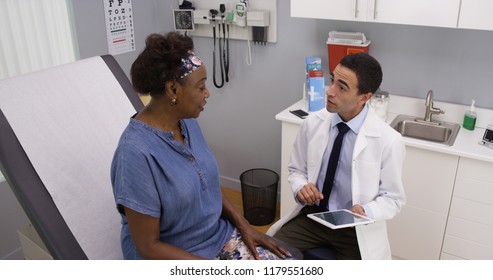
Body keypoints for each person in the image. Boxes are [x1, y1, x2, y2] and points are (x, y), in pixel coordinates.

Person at [110, 32, 298, 260]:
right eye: (200, 87)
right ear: (173, 90)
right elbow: (149, 247)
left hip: (217, 238)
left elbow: (206, 182)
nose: (207, 93)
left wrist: (245, 225)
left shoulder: (186, 124)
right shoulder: (135, 153)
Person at [268, 52, 406, 260]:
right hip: (313, 218)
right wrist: (301, 187)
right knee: (267, 254)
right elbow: (297, 170)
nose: (330, 92)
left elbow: (393, 199)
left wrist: (366, 211)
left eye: (342, 87)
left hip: (354, 229)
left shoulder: (388, 140)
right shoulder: (313, 123)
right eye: (332, 80)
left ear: (365, 97)